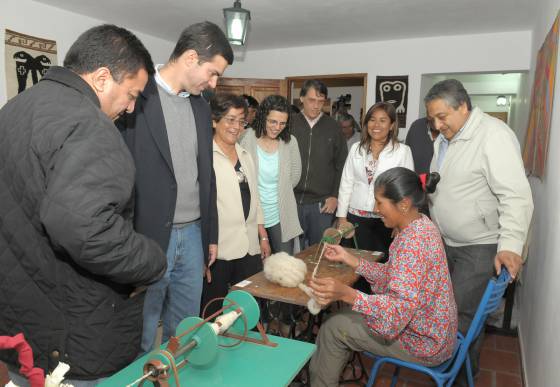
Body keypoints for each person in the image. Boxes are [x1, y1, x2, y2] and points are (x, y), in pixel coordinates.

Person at [0, 25, 167, 383]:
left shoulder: (13, 110)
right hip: (75, 335)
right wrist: (152, 261)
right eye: (132, 93)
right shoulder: (91, 126)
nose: (132, 107)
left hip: (21, 322)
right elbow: (85, 229)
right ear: (103, 77)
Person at [118, 21, 233, 353]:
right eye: (212, 73)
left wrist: (209, 234)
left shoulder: (200, 105)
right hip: (149, 237)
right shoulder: (138, 96)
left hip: (194, 235)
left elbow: (205, 176)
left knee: (185, 330)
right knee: (141, 332)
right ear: (191, 57)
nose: (212, 84)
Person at [425, 79, 533, 381]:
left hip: (478, 246)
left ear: (463, 106)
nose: (436, 124)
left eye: (441, 117)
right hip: (449, 242)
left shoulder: (493, 136)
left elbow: (515, 195)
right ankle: (463, 374)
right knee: (454, 317)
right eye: (432, 117)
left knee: (457, 321)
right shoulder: (447, 137)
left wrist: (510, 245)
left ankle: (455, 378)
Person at [309, 167, 457, 387]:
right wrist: (352, 260)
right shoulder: (421, 225)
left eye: (380, 202)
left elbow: (397, 314)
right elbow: (394, 275)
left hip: (423, 343)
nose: (375, 209)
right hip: (437, 333)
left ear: (404, 204)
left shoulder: (413, 245)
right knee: (344, 317)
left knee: (333, 327)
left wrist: (349, 294)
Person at [202, 94, 271, 317]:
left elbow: (256, 197)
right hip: (220, 248)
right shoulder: (204, 156)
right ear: (214, 120)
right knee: (213, 309)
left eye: (241, 121)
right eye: (230, 120)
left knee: (248, 308)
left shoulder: (245, 155)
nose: (236, 127)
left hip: (249, 245)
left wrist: (263, 236)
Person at [337, 102, 414, 257]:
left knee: (382, 264)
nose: (376, 125)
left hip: (386, 220)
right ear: (366, 123)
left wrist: (401, 222)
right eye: (372, 120)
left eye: (383, 120)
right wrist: (342, 218)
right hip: (355, 218)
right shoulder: (356, 149)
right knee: (355, 266)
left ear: (392, 125)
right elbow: (346, 183)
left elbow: (407, 190)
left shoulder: (402, 151)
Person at [240, 95, 303, 254]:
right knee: (255, 268)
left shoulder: (290, 142)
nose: (277, 127)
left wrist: (280, 191)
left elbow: (295, 176)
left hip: (280, 214)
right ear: (263, 117)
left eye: (282, 123)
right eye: (272, 121)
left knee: (284, 265)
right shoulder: (246, 138)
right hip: (251, 214)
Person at [292, 79, 348, 248]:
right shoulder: (289, 123)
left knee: (321, 254)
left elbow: (342, 165)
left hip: (322, 205)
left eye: (321, 101)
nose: (316, 106)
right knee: (292, 255)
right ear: (301, 98)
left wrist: (334, 195)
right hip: (291, 201)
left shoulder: (334, 127)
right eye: (311, 100)